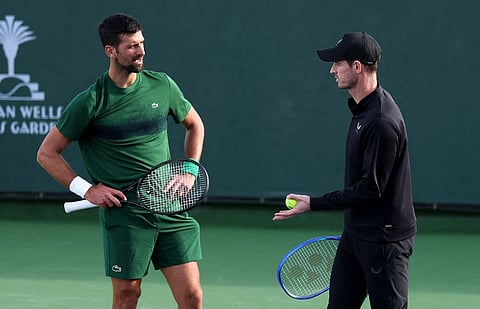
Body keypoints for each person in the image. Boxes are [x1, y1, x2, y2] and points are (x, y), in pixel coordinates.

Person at [37, 13, 205, 309]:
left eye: (141, 43)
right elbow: (47, 153)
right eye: (131, 46)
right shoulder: (90, 102)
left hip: (169, 206)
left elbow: (195, 124)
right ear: (110, 51)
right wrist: (87, 190)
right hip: (125, 215)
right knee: (128, 296)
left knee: (192, 296)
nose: (140, 52)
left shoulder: (162, 85)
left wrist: (189, 168)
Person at [273, 32, 416, 309]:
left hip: (384, 241)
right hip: (356, 235)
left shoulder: (381, 121)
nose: (332, 70)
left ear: (358, 67)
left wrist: (313, 203)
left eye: (338, 63)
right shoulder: (362, 111)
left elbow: (370, 189)